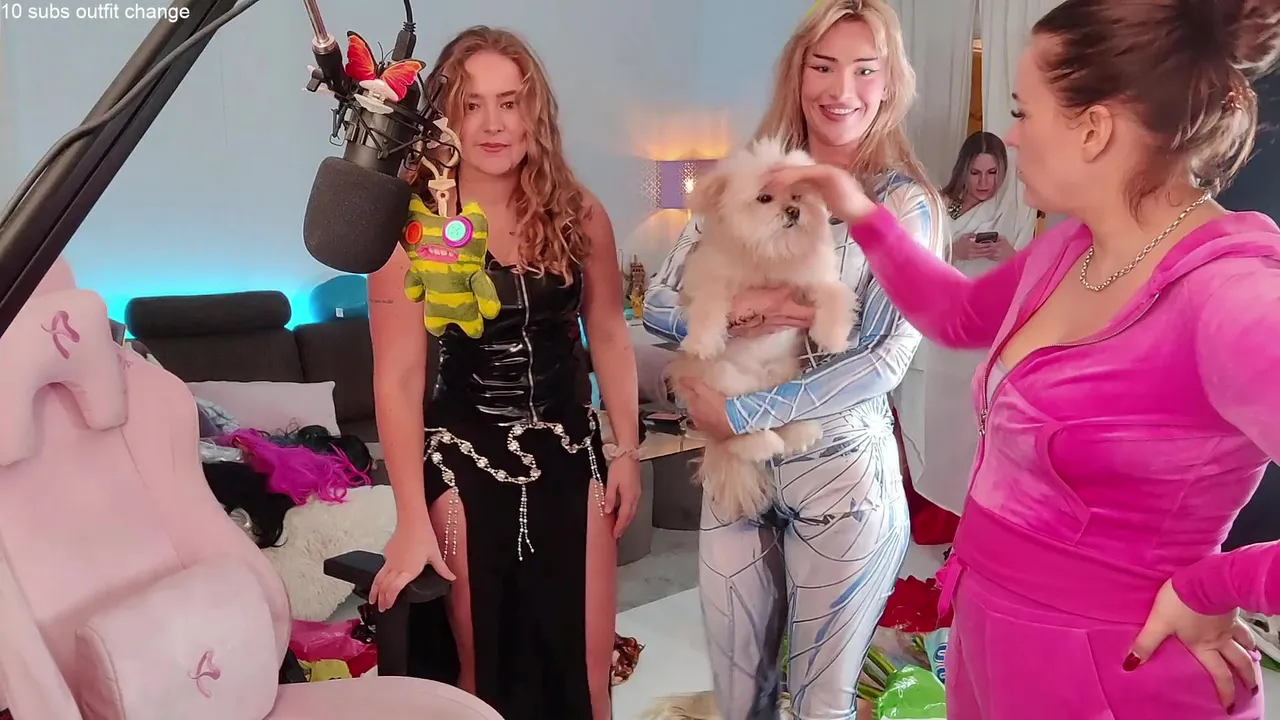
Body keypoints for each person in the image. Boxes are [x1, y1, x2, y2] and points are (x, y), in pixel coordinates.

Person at [765, 0, 1280, 716]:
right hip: (991, 635)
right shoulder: (1073, 247)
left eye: (1022, 111)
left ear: (1093, 128)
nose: (1011, 135)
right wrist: (860, 210)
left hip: (1114, 670)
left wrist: (1215, 586)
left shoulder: (1234, 295)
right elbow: (957, 314)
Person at [643, 1, 948, 716]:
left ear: (890, 82)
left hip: (843, 482)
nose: (842, 90)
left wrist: (743, 411)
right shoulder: (755, 175)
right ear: (797, 73)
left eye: (864, 70)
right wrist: (749, 311)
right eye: (824, 66)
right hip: (737, 472)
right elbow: (658, 304)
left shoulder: (904, 205)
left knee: (819, 704)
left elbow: (883, 358)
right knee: (739, 700)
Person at [365, 26, 641, 720]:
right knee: (483, 674)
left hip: (573, 456)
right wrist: (409, 521)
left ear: (533, 113)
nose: (493, 124)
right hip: (464, 462)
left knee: (589, 668)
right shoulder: (409, 227)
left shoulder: (580, 213)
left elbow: (609, 332)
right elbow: (397, 380)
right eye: (472, 104)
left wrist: (627, 449)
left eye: (510, 103)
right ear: (445, 118)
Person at [896, 131, 1027, 515]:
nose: (985, 183)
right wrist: (956, 251)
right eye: (976, 173)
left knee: (969, 423)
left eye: (993, 173)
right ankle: (920, 507)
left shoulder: (1014, 212)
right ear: (963, 171)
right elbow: (913, 262)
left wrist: (1009, 254)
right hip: (939, 329)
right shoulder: (940, 206)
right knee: (925, 415)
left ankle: (962, 512)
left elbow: (1033, 275)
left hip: (982, 335)